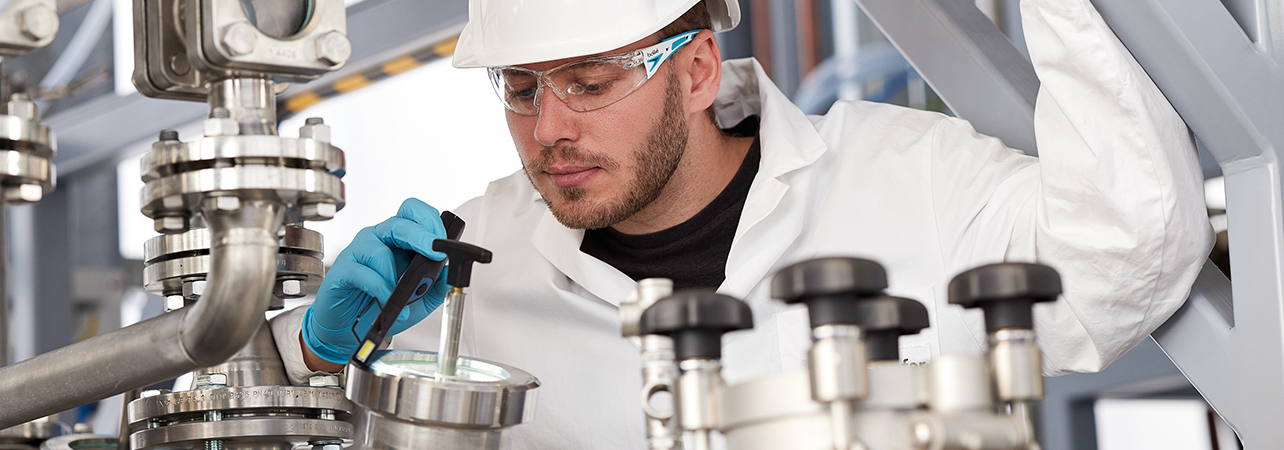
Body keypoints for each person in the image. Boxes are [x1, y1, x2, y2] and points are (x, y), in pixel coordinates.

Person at [268, 0, 1213, 447]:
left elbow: (1128, 252)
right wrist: (306, 357)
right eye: (519, 90)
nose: (549, 129)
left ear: (696, 69)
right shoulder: (462, 269)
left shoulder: (905, 180)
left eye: (591, 84)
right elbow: (204, 413)